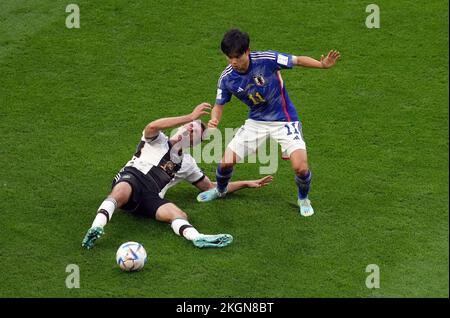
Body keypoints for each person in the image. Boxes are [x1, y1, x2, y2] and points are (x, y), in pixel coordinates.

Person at [82, 102, 273, 249]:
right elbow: (152, 126)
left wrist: (246, 183)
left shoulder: (187, 163)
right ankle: (96, 227)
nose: (191, 128)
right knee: (121, 191)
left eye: (195, 132)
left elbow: (211, 188)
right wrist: (189, 116)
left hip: (150, 197)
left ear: (196, 142)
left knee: (178, 213)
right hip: (133, 178)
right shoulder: (157, 140)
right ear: (181, 127)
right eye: (190, 126)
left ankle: (198, 238)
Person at [197, 29, 341, 217]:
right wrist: (215, 118)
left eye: (237, 57)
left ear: (247, 51)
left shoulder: (267, 59)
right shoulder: (227, 78)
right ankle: (221, 190)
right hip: (256, 122)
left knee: (301, 167)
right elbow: (219, 104)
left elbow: (297, 60)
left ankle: (303, 198)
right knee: (225, 163)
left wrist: (322, 65)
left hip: (285, 119)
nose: (233, 62)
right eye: (229, 57)